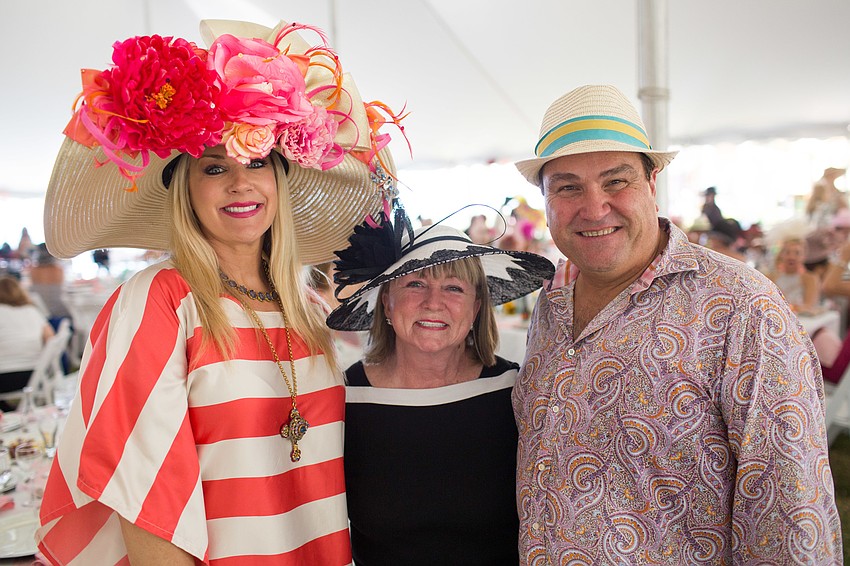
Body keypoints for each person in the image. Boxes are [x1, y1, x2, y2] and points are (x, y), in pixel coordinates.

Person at [35, 18, 402, 564]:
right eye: (213, 167)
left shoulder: (308, 306)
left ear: (281, 180)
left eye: (258, 163)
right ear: (184, 188)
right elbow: (146, 504)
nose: (240, 182)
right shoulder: (160, 300)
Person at [512, 84, 842, 563]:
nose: (594, 206)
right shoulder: (553, 297)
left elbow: (789, 515)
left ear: (651, 183)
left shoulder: (741, 307)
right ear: (545, 199)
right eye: (567, 186)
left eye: (616, 180)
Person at [326, 207, 554, 565]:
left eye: (453, 288)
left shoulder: (512, 391)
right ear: (386, 300)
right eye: (415, 284)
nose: (433, 303)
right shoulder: (345, 399)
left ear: (477, 307)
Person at [0, 276, 54, 410]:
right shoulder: (32, 311)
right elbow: (51, 338)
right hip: (34, 375)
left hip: (4, 378)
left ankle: (7, 411)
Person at [767, 237, 823, 315]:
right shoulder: (770, 278)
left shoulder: (810, 279)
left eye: (797, 253)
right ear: (781, 255)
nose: (791, 257)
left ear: (804, 256)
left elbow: (809, 306)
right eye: (787, 252)